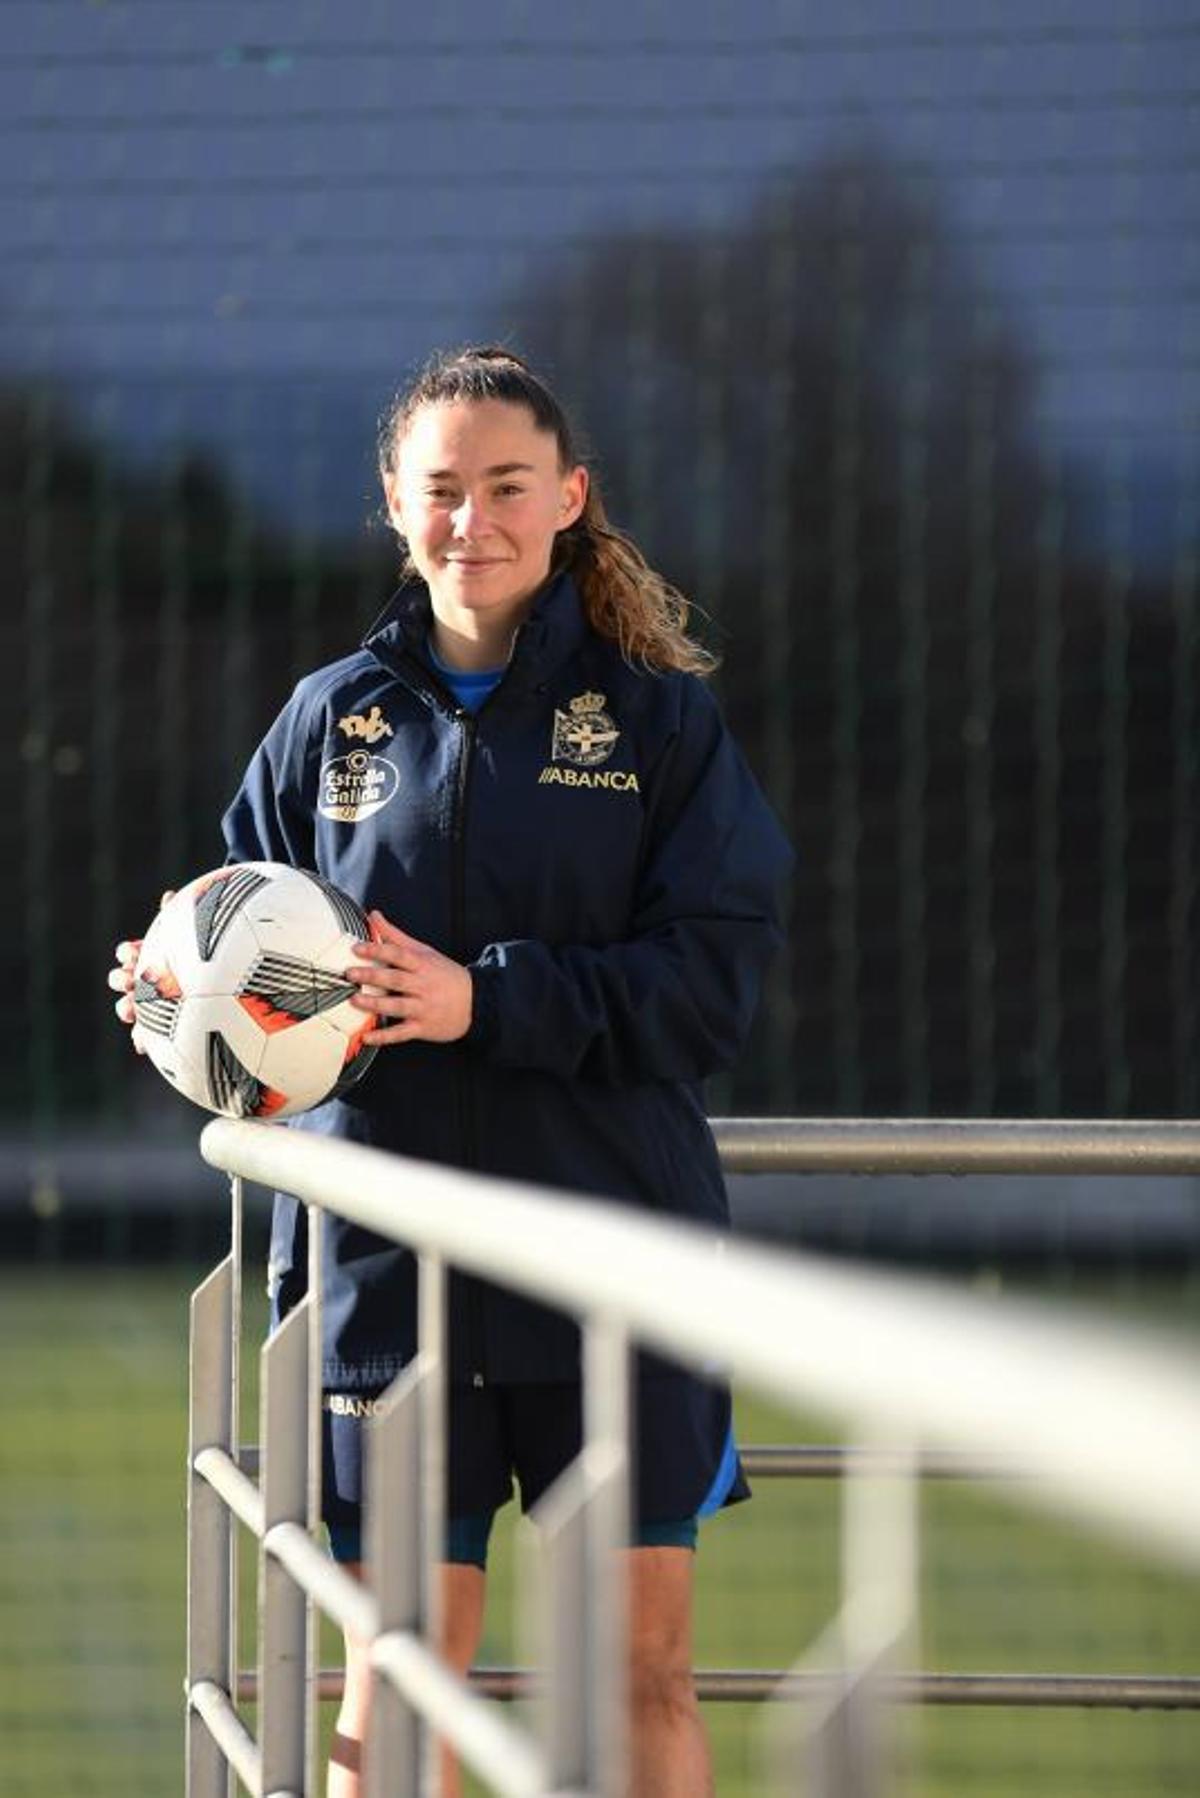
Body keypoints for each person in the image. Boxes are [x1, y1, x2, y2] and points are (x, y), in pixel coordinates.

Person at [111, 345, 793, 1797]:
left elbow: (713, 986)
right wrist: (173, 998)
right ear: (393, 504)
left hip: (614, 1260)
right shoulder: (329, 717)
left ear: (569, 498)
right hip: (382, 1270)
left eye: (505, 487)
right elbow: (238, 939)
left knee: (639, 1673)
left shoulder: (659, 721)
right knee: (399, 1672)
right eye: (441, 490)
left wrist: (486, 1001)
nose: (470, 521)